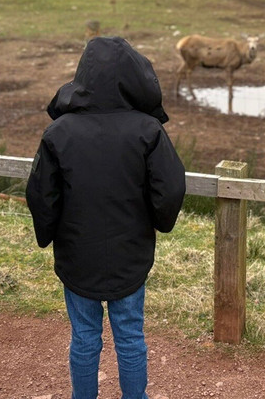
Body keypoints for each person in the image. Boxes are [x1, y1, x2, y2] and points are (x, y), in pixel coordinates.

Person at [26, 36, 186, 399]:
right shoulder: (148, 130)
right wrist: (159, 221)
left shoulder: (58, 132)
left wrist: (46, 233)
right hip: (131, 252)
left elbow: (41, 195)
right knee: (130, 335)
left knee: (84, 336)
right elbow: (171, 188)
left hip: (76, 254)